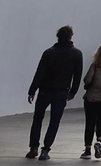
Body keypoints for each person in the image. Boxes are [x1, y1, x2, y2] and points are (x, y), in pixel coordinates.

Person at [30, 26, 85, 161]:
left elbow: (39, 73)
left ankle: (34, 147)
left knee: (37, 119)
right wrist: (73, 91)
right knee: (54, 121)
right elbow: (77, 75)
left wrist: (32, 91)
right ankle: (45, 150)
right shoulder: (77, 54)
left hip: (45, 90)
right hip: (62, 91)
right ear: (71, 36)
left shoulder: (49, 52)